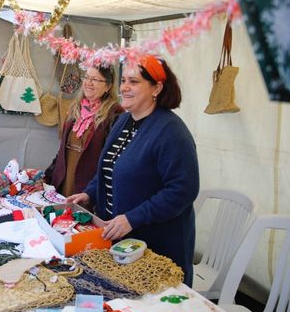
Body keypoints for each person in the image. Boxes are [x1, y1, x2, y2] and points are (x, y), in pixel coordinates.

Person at [68, 55, 199, 285]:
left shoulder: (171, 132)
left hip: (156, 247)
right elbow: (111, 167)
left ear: (156, 88)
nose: (125, 88)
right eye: (124, 81)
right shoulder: (123, 121)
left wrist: (132, 218)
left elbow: (183, 190)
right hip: (120, 243)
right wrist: (90, 192)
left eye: (134, 82)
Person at [44, 64, 123, 198]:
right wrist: (47, 176)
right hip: (62, 181)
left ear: (108, 86)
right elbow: (62, 151)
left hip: (89, 186)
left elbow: (112, 161)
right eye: (86, 77)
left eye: (95, 79)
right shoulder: (75, 108)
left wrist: (92, 191)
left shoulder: (115, 114)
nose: (88, 83)